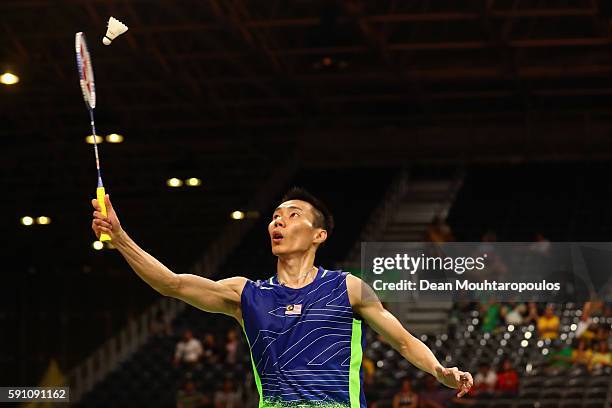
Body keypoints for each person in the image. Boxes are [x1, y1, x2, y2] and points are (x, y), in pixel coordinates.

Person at [91, 187, 473, 407]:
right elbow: (172, 284)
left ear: (318, 235)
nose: (278, 221)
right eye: (275, 216)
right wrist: (120, 238)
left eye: (292, 215)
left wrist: (440, 370)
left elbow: (404, 342)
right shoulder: (246, 294)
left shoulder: (348, 288)